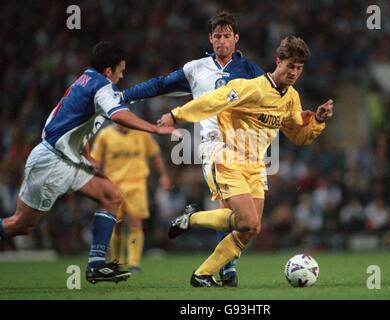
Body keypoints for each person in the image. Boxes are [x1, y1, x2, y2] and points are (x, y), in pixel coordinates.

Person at [158, 36, 334, 287]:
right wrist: (177, 114)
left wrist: (317, 119)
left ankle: (201, 272)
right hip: (228, 157)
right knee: (247, 221)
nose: (294, 72)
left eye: (299, 68)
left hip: (256, 165)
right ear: (278, 61)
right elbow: (213, 100)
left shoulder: (291, 98)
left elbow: (298, 135)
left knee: (251, 229)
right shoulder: (251, 87)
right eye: (290, 65)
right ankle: (194, 223)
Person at [0, 42, 174, 284]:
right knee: (20, 225)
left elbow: (77, 121)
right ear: (108, 71)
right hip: (51, 163)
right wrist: (153, 128)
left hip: (69, 160)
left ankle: (96, 265)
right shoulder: (102, 86)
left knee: (112, 196)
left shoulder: (85, 79)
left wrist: (87, 153)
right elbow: (118, 115)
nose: (122, 75)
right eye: (120, 70)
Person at [120, 11, 264, 286]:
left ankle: (203, 234)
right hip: (214, 147)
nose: (222, 41)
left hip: (246, 148)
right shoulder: (196, 69)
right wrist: (125, 96)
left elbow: (274, 96)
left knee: (245, 220)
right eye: (217, 36)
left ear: (236, 38)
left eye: (226, 36)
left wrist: (303, 116)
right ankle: (227, 269)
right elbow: (160, 85)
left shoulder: (250, 70)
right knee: (232, 209)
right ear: (210, 39)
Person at [90, 123, 171, 273]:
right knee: (117, 225)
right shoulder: (104, 135)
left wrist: (164, 175)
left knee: (136, 223)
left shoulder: (141, 133)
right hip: (114, 186)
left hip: (136, 184)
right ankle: (117, 261)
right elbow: (95, 161)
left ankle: (134, 263)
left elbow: (155, 154)